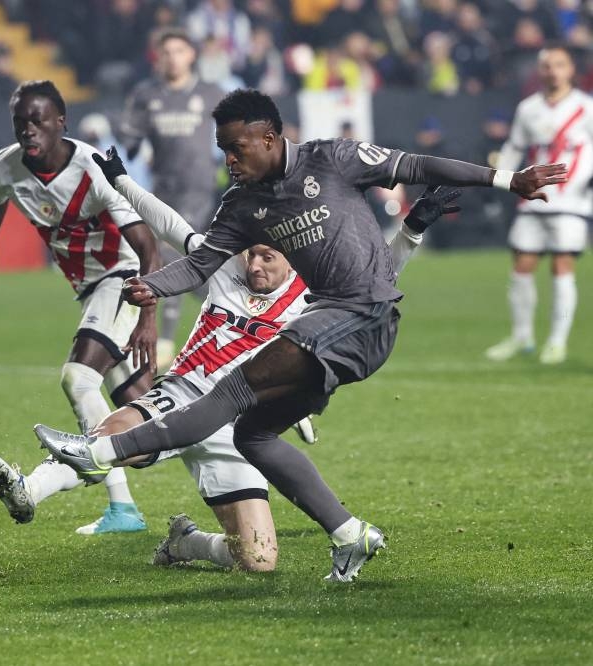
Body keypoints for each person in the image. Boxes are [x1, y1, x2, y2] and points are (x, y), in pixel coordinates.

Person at [36, 89, 565, 581]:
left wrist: (507, 179)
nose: (229, 160)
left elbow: (416, 164)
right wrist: (152, 285)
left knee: (231, 392)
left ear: (269, 138)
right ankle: (349, 533)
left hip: (364, 314)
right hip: (338, 324)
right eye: (222, 150)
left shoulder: (331, 159)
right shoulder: (242, 206)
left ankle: (100, 454)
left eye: (236, 148)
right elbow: (198, 264)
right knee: (252, 434)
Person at [0, 147, 457, 571]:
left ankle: (184, 544)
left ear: (292, 254)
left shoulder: (316, 292)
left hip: (238, 424)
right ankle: (28, 489)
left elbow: (381, 273)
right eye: (251, 254)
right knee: (121, 435)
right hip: (184, 394)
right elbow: (172, 227)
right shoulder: (225, 268)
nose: (254, 266)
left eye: (266, 258)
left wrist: (413, 228)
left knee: (257, 559)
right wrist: (124, 183)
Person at [0, 80, 160, 535]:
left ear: (61, 122)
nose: (29, 130)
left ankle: (115, 506)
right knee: (151, 421)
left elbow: (148, 249)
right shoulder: (4, 169)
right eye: (20, 122)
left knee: (78, 379)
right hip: (90, 289)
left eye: (38, 120)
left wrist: (147, 316)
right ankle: (243, 405)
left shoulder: (94, 170)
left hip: (122, 279)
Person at [118, 28, 225, 367]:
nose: (172, 57)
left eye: (179, 51)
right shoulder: (146, 96)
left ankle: (163, 342)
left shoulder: (211, 94)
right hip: (162, 191)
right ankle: (230, 314)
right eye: (166, 52)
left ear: (191, 55)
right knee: (195, 276)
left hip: (199, 189)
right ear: (158, 57)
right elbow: (130, 142)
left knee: (171, 256)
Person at [485, 45, 592, 365]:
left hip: (572, 201)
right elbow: (515, 146)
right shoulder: (528, 108)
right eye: (546, 65)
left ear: (571, 69)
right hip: (534, 199)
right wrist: (500, 177)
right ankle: (522, 337)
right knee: (522, 266)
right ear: (539, 70)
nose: (552, 71)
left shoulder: (586, 107)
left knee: (562, 266)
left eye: (559, 65)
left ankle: (557, 342)